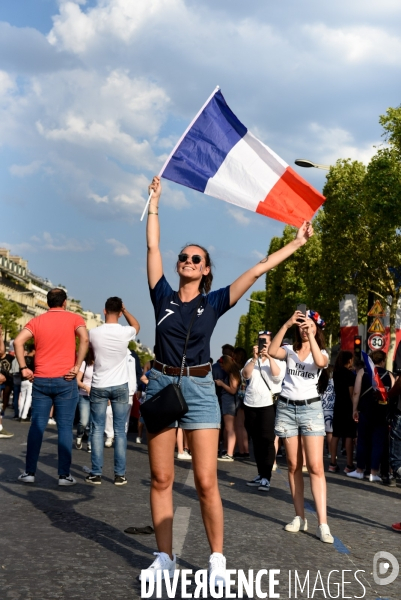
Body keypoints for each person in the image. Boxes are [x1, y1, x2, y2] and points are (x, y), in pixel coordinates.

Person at [141, 175, 313, 584]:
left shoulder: (214, 302)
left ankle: (217, 559)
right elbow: (151, 247)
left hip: (201, 390)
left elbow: (257, 270)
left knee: (204, 481)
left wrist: (296, 243)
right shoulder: (161, 295)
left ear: (206, 271)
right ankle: (164, 557)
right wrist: (155, 202)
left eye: (196, 259)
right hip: (163, 385)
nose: (187, 261)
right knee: (161, 478)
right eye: (184, 256)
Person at [269, 309, 333, 544]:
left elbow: (319, 362)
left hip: (311, 410)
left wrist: (312, 336)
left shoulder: (321, 351)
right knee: (294, 465)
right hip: (286, 408)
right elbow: (271, 351)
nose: (305, 329)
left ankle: (323, 524)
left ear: (317, 328)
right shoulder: (289, 351)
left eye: (309, 325)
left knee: (315, 466)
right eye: (302, 325)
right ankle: (299, 516)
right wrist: (286, 324)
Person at [14, 288, 89, 485]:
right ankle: (64, 475)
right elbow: (85, 339)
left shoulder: (37, 321)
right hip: (65, 379)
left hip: (41, 379)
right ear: (65, 302)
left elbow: (18, 341)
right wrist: (77, 365)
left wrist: (24, 368)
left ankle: (29, 472)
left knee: (37, 425)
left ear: (48, 303)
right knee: (64, 427)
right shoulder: (74, 319)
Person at [85, 298, 139, 486]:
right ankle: (119, 475)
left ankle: (96, 472)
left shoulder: (93, 333)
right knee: (120, 431)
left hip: (99, 384)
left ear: (104, 310)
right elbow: (136, 325)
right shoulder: (125, 332)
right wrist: (126, 311)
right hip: (120, 385)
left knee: (97, 429)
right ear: (121, 312)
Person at [242, 331, 285, 491]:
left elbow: (277, 376)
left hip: (267, 405)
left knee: (267, 441)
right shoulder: (251, 360)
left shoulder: (277, 361)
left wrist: (270, 356)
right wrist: (254, 358)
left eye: (266, 343)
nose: (263, 346)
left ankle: (267, 477)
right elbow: (245, 375)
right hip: (250, 404)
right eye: (261, 342)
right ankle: (260, 474)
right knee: (256, 441)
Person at [347, 350, 394, 483]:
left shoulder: (362, 372)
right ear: (383, 361)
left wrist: (354, 409)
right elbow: (392, 394)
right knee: (378, 443)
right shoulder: (389, 375)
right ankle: (374, 472)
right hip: (382, 413)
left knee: (363, 440)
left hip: (365, 411)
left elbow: (356, 393)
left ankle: (360, 470)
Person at [329, 351, 356, 473]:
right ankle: (349, 465)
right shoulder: (350, 375)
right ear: (349, 360)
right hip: (348, 407)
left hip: (338, 406)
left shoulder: (336, 373)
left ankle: (332, 463)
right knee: (349, 435)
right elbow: (352, 393)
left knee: (336, 435)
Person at [216, 355, 241, 461]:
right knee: (230, 428)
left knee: (229, 428)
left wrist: (221, 384)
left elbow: (233, 390)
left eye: (222, 366)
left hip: (230, 403)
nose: (222, 368)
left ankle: (230, 453)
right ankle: (229, 451)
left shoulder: (232, 374)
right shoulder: (234, 373)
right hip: (230, 402)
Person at [76, 349, 95, 452]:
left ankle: (90, 443)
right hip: (84, 396)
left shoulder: (102, 364)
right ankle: (79, 435)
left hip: (96, 397)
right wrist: (86, 387)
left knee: (93, 422)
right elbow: (77, 380)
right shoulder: (85, 363)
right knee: (83, 422)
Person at [233, 347, 249, 458]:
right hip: (246, 396)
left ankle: (243, 450)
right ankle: (245, 450)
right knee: (242, 425)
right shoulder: (247, 366)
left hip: (240, 396)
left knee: (239, 425)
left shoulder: (237, 369)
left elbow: (235, 386)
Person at [0, 325, 14, 438]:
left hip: (6, 381)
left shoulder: (9, 356)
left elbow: (2, 351)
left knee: (3, 402)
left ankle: (0, 427)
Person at [19, 345, 35, 422]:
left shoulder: (23, 359)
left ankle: (20, 414)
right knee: (29, 398)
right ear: (33, 350)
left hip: (23, 379)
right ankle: (24, 416)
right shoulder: (34, 359)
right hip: (30, 380)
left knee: (22, 397)